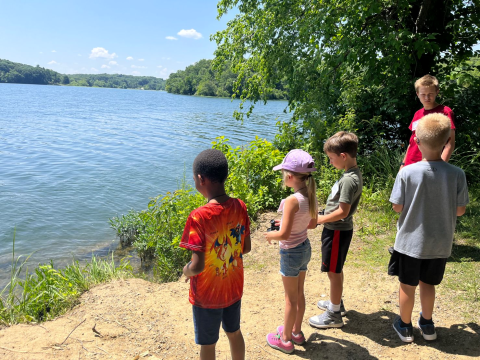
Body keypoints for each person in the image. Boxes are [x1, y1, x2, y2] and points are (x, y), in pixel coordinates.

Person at [389, 113, 469, 343]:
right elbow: (460, 210)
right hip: (440, 242)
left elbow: (397, 207)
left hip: (409, 243)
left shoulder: (407, 172)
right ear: (446, 143)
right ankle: (427, 324)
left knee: (407, 285)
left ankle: (404, 327)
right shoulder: (457, 174)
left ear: (417, 141)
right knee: (429, 284)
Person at [180, 149, 251, 360]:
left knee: (208, 345)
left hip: (207, 296)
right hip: (233, 288)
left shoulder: (198, 217)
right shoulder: (240, 206)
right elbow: (245, 248)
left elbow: (198, 266)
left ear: (201, 179)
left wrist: (186, 271)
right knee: (234, 332)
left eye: (194, 178)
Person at [264, 149, 318, 354]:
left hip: (290, 253)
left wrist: (271, 236)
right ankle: (296, 331)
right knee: (299, 294)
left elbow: (284, 235)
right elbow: (311, 224)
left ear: (290, 176)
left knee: (290, 299)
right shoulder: (310, 194)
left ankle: (285, 340)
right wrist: (287, 222)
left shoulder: (291, 201)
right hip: (304, 248)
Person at [309, 131, 363, 329]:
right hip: (337, 230)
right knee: (335, 269)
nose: (330, 162)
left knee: (333, 271)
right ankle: (336, 302)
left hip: (337, 230)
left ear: (343, 156)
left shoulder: (349, 179)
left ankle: (333, 315)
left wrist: (320, 219)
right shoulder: (350, 174)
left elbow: (343, 211)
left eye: (331, 159)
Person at [400, 74, 456, 170]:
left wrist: (440, 166)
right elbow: (411, 142)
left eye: (430, 94)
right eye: (423, 94)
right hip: (410, 165)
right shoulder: (417, 114)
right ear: (417, 94)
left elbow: (450, 143)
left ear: (437, 92)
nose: (427, 98)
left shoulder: (445, 112)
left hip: (431, 166)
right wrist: (402, 165)